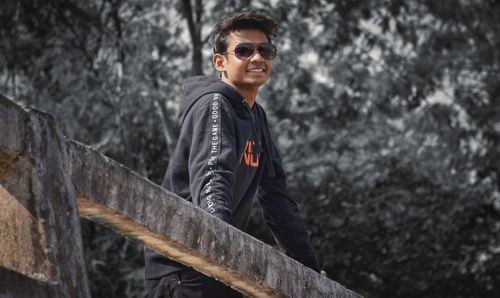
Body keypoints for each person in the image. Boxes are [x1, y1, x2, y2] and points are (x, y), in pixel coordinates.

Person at [145, 9, 321, 298]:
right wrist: (224, 246)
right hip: (185, 268)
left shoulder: (256, 116)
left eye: (265, 50)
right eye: (244, 50)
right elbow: (213, 175)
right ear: (220, 62)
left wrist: (310, 271)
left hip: (220, 264)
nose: (257, 58)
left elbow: (277, 197)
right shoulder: (215, 104)